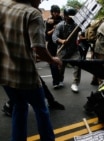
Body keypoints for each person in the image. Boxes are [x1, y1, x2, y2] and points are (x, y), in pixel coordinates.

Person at [0, 0, 62, 140]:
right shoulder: (32, 13)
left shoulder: (2, 5)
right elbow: (39, 48)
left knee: (19, 106)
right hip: (25, 75)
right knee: (41, 109)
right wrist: (52, 60)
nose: (40, 1)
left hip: (4, 73)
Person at [52, 7, 82, 93]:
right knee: (61, 67)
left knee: (78, 64)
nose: (71, 18)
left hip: (74, 50)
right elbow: (54, 37)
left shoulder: (77, 25)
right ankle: (60, 80)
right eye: (69, 16)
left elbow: (84, 30)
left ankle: (75, 83)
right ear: (65, 16)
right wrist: (61, 41)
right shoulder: (60, 25)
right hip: (62, 50)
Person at [45, 5, 63, 89]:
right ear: (52, 12)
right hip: (51, 44)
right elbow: (47, 33)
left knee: (60, 63)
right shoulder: (49, 21)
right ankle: (55, 82)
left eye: (58, 12)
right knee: (53, 63)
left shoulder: (61, 19)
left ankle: (60, 80)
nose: (57, 14)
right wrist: (54, 28)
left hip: (60, 43)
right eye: (55, 12)